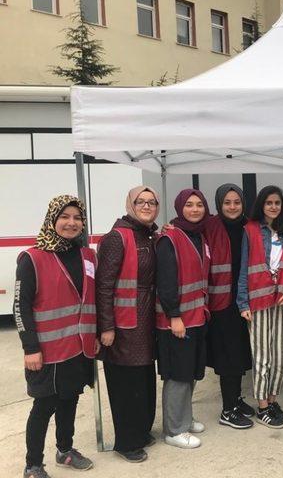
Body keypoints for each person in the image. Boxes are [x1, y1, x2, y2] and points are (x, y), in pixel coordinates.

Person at [14, 195, 98, 478]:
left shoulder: (87, 255)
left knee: (69, 399)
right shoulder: (32, 258)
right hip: (46, 350)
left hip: (78, 347)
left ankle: (65, 450)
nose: (71, 223)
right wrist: (30, 348)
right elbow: (20, 305)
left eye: (77, 218)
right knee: (44, 406)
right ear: (52, 219)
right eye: (65, 217)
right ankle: (33, 465)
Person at [96, 186, 160, 462]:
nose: (146, 206)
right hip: (124, 325)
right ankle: (127, 441)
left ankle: (142, 431)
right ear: (130, 205)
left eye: (151, 202)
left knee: (144, 379)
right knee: (126, 383)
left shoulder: (149, 235)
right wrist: (107, 326)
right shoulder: (117, 238)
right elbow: (104, 286)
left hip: (145, 319)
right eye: (140, 201)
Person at [156, 189, 210, 449]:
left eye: (199, 204)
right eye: (189, 205)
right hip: (178, 320)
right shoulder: (169, 238)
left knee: (190, 372)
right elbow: (165, 282)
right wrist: (174, 316)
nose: (195, 209)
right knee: (178, 375)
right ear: (180, 208)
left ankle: (184, 419)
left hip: (196, 317)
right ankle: (174, 430)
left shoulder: (199, 236)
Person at [237, 186, 283, 429]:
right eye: (269, 202)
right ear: (261, 204)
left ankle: (273, 401)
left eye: (277, 203)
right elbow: (243, 270)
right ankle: (262, 407)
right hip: (258, 302)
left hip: (281, 300)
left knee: (280, 357)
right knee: (262, 358)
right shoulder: (250, 230)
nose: (273, 207)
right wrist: (243, 303)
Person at [204, 184, 254, 430]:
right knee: (228, 356)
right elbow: (186, 228)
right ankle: (228, 409)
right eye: (227, 202)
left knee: (242, 352)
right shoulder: (210, 226)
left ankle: (237, 399)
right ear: (219, 204)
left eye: (236, 202)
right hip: (221, 303)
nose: (232, 207)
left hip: (245, 301)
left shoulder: (249, 226)